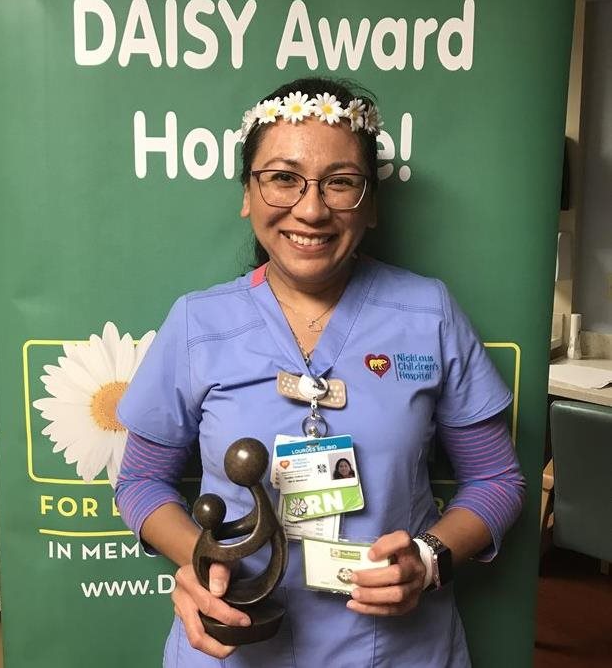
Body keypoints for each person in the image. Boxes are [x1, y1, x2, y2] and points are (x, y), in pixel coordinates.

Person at [115, 77, 525, 667]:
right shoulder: (196, 323)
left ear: (372, 202)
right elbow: (139, 483)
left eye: (341, 183)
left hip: (396, 650)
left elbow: (498, 481)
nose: (310, 208)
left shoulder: (427, 314)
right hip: (236, 645)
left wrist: (429, 558)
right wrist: (203, 564)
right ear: (247, 194)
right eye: (282, 178)